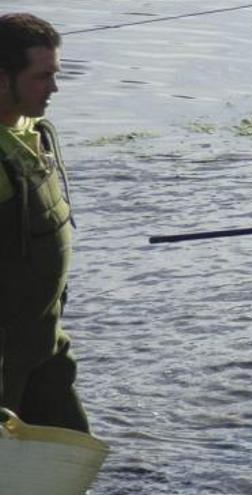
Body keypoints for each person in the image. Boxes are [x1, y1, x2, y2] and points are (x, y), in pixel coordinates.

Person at [0, 13, 90, 433]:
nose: (54, 88)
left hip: (44, 347)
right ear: (2, 79)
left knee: (73, 459)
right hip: (5, 364)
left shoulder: (33, 131)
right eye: (42, 77)